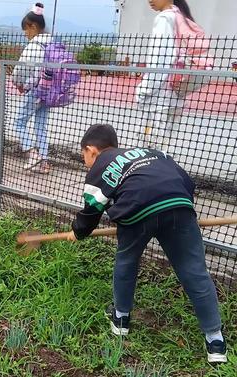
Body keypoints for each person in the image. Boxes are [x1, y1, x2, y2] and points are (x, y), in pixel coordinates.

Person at [71, 124, 227, 364]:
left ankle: (121, 318)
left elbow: (92, 210)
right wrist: (177, 206)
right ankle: (215, 341)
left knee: (127, 260)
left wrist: (78, 232)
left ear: (91, 150)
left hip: (137, 211)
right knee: (194, 271)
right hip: (178, 205)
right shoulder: (153, 152)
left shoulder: (102, 165)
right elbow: (186, 181)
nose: (85, 161)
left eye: (84, 155)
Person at [135, 0, 194, 150]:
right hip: (176, 96)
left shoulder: (164, 19)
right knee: (164, 148)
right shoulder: (181, 17)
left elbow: (159, 60)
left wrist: (144, 90)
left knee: (145, 149)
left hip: (157, 100)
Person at [12, 2, 52, 174]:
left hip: (35, 90)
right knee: (40, 125)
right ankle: (44, 162)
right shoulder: (53, 42)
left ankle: (32, 153)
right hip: (50, 91)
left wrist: (19, 84)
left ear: (33, 26)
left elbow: (20, 70)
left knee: (19, 122)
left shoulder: (34, 47)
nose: (25, 34)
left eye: (26, 30)